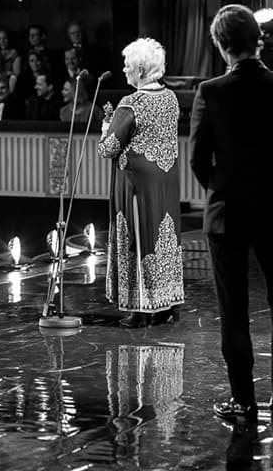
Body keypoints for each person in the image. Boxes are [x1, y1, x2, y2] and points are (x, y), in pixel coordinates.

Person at [189, 4, 273, 423]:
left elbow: (199, 159)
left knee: (233, 309)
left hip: (228, 212)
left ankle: (244, 401)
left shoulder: (211, 91)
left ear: (220, 45)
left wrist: (222, 189)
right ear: (258, 38)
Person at [97, 38, 184, 328]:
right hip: (165, 181)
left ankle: (140, 307)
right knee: (163, 236)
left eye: (127, 65)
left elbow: (108, 148)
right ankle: (165, 302)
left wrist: (106, 127)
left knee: (138, 238)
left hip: (135, 186)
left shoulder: (131, 103)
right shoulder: (170, 98)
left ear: (141, 68)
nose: (124, 70)